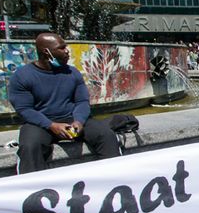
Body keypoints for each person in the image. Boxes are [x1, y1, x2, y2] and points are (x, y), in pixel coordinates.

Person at [8, 33, 122, 173]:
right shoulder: (22, 76)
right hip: (41, 123)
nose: (67, 51)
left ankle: (114, 177)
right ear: (46, 52)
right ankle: (34, 189)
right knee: (30, 146)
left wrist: (79, 121)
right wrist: (51, 125)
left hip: (72, 119)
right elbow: (24, 110)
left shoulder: (72, 73)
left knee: (105, 134)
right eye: (61, 48)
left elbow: (82, 101)